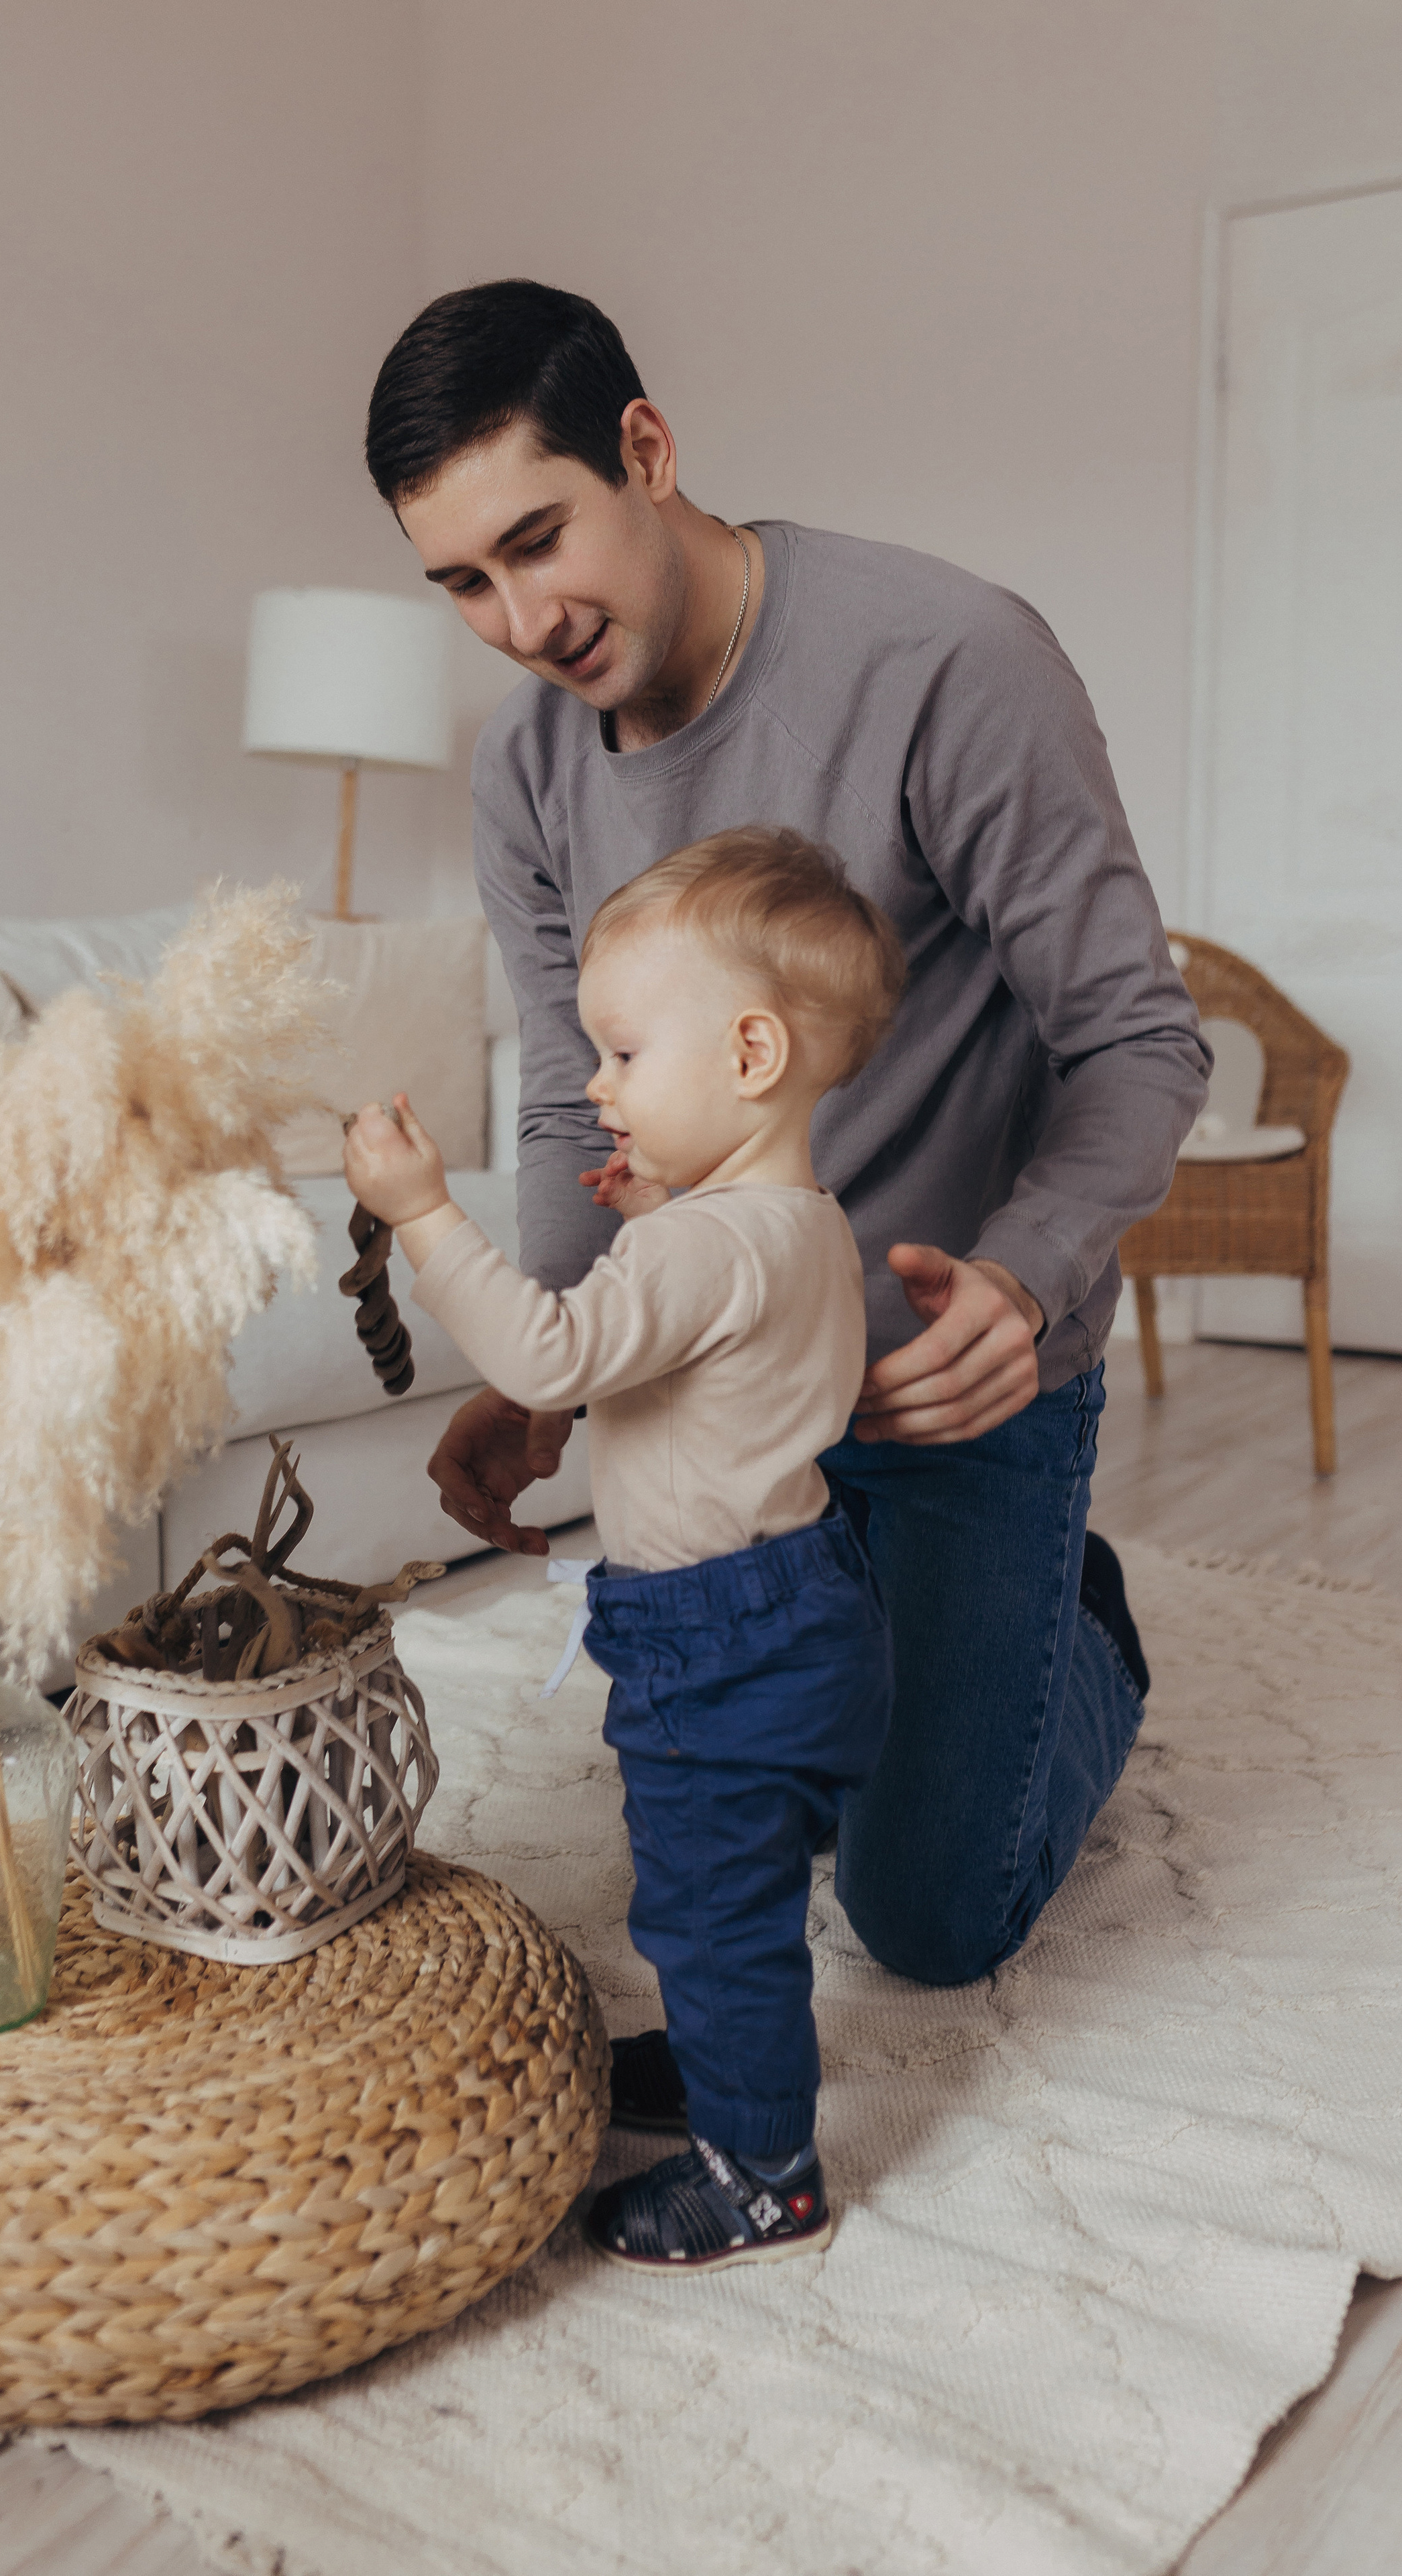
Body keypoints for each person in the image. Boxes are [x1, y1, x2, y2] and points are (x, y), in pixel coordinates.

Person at [362, 280, 1209, 2076]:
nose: (521, 622)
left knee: (922, 1916)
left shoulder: (947, 662)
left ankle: (1083, 1622)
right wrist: (545, 1372)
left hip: (948, 1372)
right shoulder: (522, 768)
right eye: (462, 583)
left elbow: (1142, 1042)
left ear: (648, 453)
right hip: (724, 1397)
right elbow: (567, 1115)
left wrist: (1030, 1272)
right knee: (726, 1818)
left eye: (539, 540)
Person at [344, 829, 903, 2271]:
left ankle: (761, 2169)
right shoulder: (792, 1222)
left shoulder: (693, 1253)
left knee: (709, 1902)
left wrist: (422, 1213)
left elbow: (542, 1346)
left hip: (713, 1634)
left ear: (751, 1053)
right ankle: (732, 2060)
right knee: (740, 1883)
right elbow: (733, 1349)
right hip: (806, 1601)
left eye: (624, 1055)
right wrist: (662, 1211)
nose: (595, 1087)